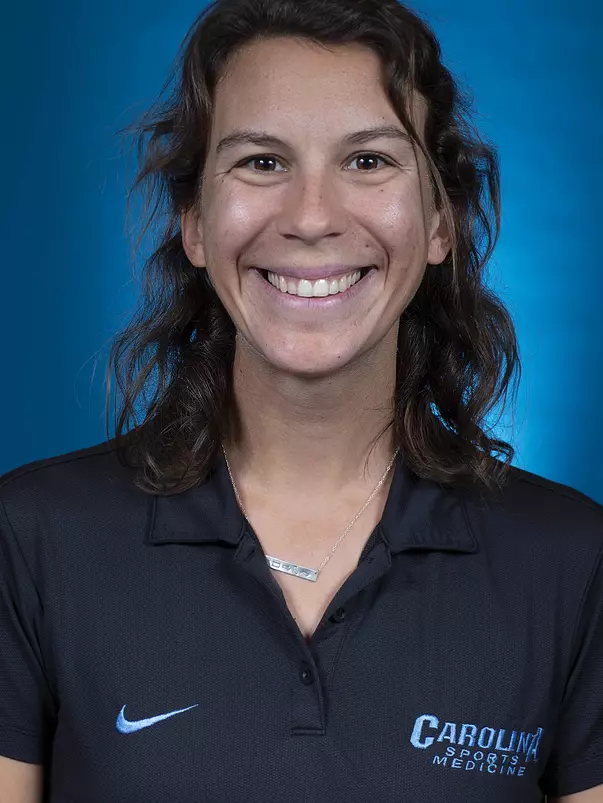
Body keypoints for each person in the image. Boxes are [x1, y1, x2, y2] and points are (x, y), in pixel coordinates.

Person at [1, 0, 602, 800]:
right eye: (260, 161)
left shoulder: (570, 559)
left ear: (437, 221)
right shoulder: (35, 536)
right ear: (194, 223)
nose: (312, 217)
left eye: (367, 162)